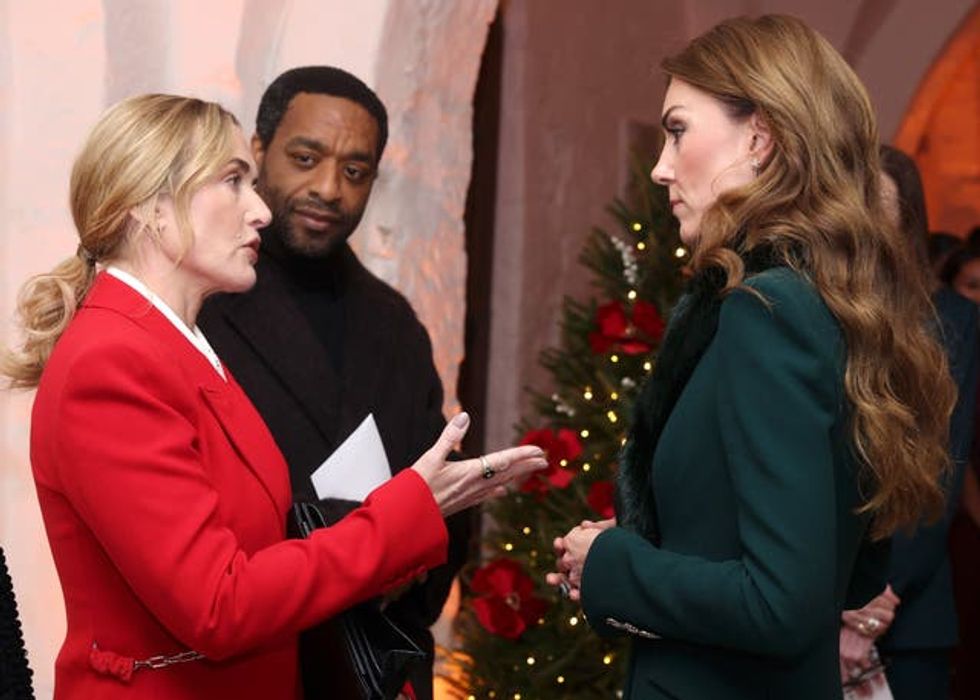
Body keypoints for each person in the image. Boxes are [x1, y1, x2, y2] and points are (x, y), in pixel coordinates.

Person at [1, 94, 545, 699]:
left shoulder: (177, 344)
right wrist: (407, 511)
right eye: (233, 182)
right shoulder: (113, 360)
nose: (260, 210)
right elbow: (220, 605)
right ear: (154, 206)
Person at [547, 15, 954, 700]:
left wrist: (610, 561)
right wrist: (652, 554)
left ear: (760, 138)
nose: (660, 165)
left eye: (678, 130)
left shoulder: (767, 312)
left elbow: (780, 603)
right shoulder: (833, 302)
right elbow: (844, 577)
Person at [196, 65, 470, 700]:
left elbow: (442, 497)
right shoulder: (203, 301)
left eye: (355, 171)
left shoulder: (395, 323)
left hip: (372, 665)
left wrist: (403, 562)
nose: (328, 188)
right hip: (247, 663)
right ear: (258, 152)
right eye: (305, 157)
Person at [836, 145, 978, 699]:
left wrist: (878, 594)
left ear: (907, 217)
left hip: (908, 610)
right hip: (811, 607)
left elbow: (942, 472)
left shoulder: (954, 320)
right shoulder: (817, 309)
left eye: (878, 203)